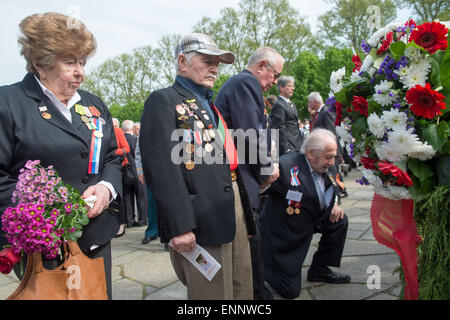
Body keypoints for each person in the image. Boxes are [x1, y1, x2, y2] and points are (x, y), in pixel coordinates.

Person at [0, 12, 122, 299]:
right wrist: (47, 211)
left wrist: (107, 188)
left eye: (83, 62)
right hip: (43, 249)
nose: (80, 72)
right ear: (40, 63)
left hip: (95, 238)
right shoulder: (9, 103)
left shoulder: (93, 104)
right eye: (70, 62)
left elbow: (111, 158)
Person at [140, 33, 256, 299]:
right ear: (182, 61)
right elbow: (161, 170)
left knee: (241, 286)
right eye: (207, 61)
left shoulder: (209, 105)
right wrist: (179, 225)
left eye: (218, 62)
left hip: (232, 204)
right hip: (200, 216)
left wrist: (246, 218)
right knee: (212, 293)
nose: (215, 68)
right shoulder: (164, 100)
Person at [214, 46, 282, 300]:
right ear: (262, 65)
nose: (274, 83)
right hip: (240, 178)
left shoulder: (241, 83)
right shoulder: (246, 82)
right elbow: (249, 135)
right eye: (274, 75)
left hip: (240, 175)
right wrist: (267, 170)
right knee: (250, 244)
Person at [260, 129, 350, 299]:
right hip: (286, 234)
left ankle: (320, 269)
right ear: (310, 154)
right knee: (290, 291)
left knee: (340, 221)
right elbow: (260, 185)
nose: (332, 162)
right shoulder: (286, 166)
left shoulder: (326, 162)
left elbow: (334, 184)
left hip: (313, 217)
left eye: (333, 156)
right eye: (328, 157)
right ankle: (263, 267)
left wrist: (335, 204)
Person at [307, 92, 346, 200]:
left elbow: (331, 132)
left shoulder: (326, 112)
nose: (308, 105)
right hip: (326, 152)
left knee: (332, 175)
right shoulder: (320, 113)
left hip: (329, 152)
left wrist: (333, 152)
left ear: (314, 102)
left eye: (309, 102)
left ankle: (335, 198)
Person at [122, 119, 147, 227]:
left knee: (128, 197)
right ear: (132, 129)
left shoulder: (120, 141)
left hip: (125, 172)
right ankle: (142, 220)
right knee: (141, 196)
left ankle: (130, 221)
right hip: (137, 171)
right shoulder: (136, 140)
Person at [134, 135, 159, 245]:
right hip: (151, 171)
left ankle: (169, 234)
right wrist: (140, 170)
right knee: (152, 203)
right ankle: (152, 232)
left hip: (171, 170)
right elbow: (139, 151)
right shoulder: (147, 123)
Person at [270, 76, 303, 155]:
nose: (293, 88)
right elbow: (280, 127)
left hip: (297, 144)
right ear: (281, 88)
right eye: (290, 86)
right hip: (289, 147)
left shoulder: (291, 104)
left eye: (293, 86)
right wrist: (286, 149)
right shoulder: (278, 105)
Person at [112, 117, 131, 238]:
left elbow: (126, 148)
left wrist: (113, 152)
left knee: (120, 197)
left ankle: (121, 225)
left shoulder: (118, 131)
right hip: (104, 168)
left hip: (119, 167)